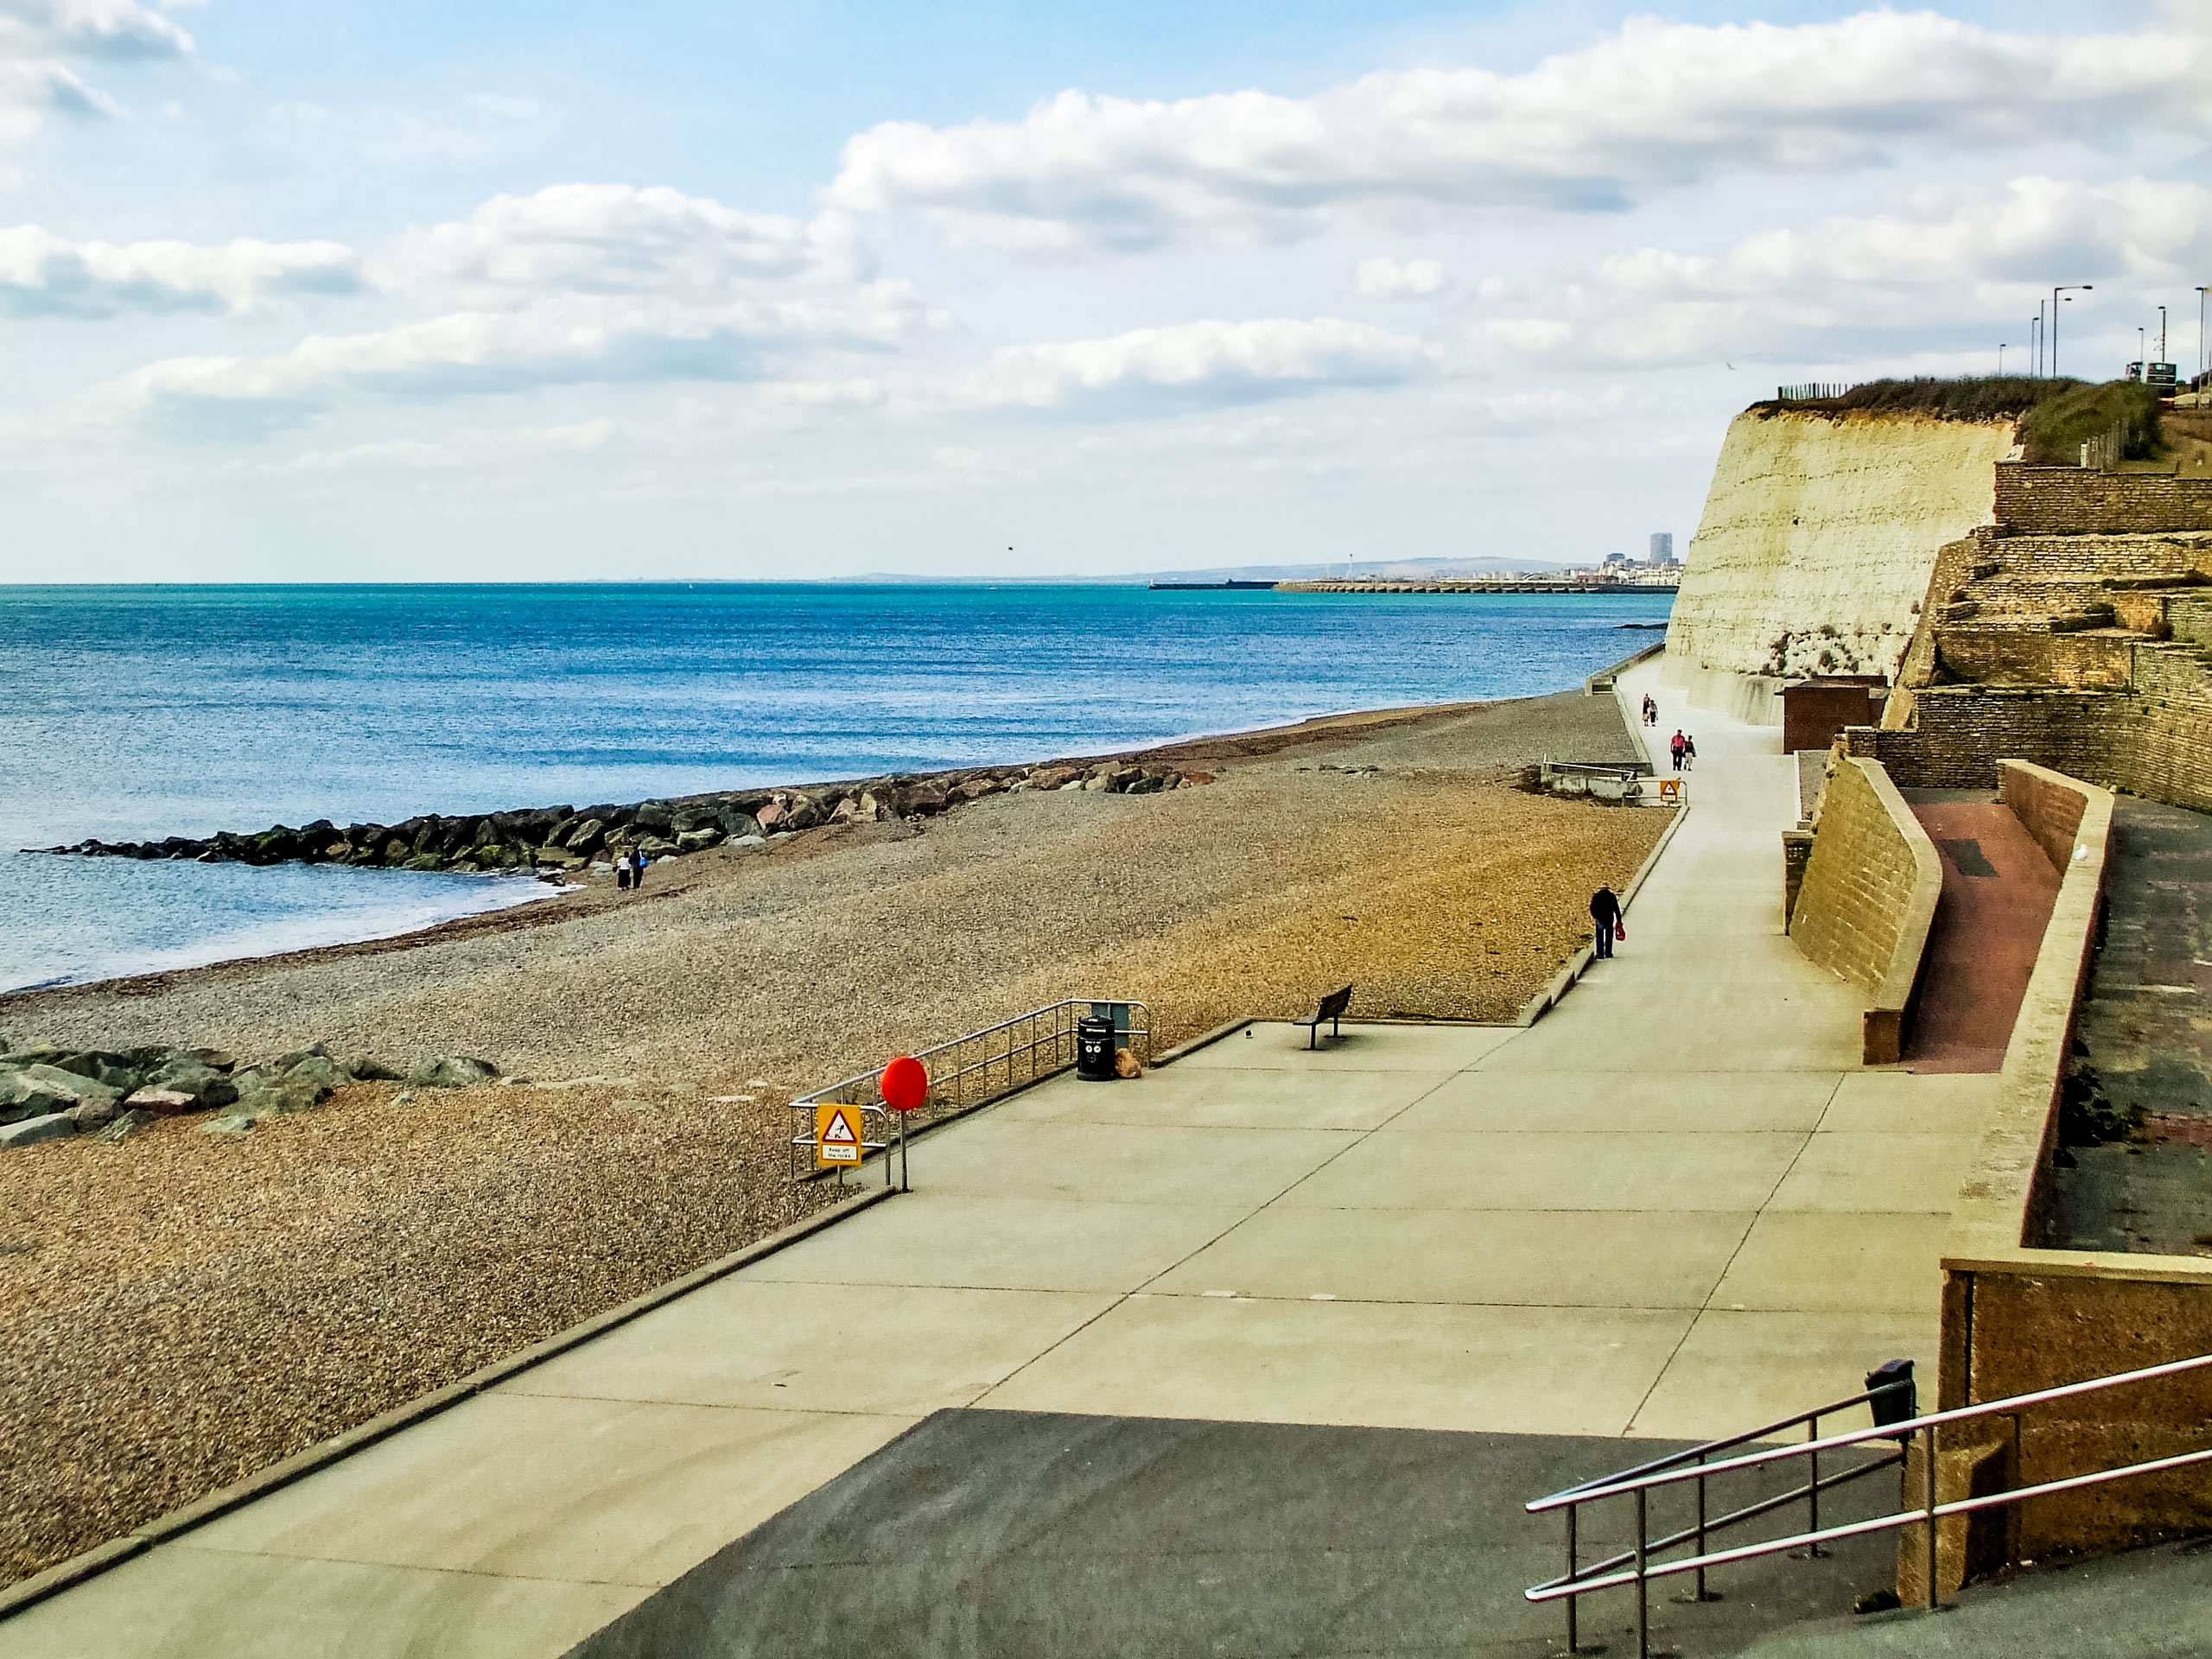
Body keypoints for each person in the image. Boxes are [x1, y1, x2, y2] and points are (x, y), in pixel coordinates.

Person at [1590, 884, 1622, 959]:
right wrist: (1619, 920)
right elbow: (1616, 909)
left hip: (1600, 918)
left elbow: (1592, 908)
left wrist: (1596, 916)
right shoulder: (1611, 896)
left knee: (1599, 937)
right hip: (1609, 918)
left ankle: (1600, 954)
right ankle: (1608, 953)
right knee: (1609, 936)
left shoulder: (1596, 896)